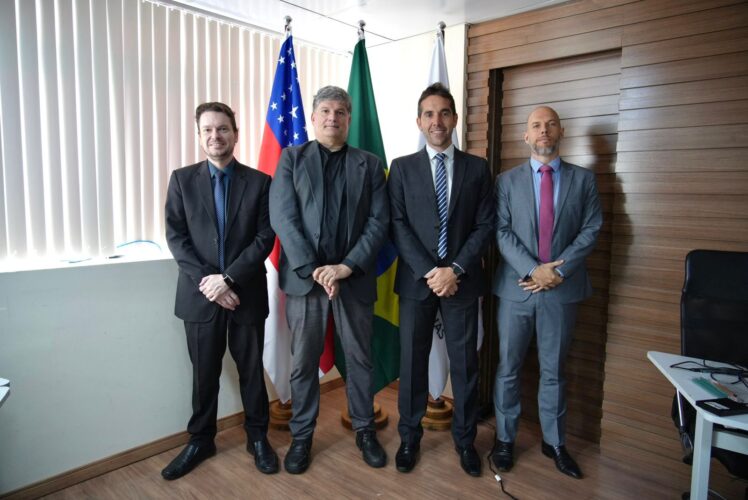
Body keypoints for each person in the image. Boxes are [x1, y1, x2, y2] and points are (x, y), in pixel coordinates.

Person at [268, 86, 390, 474]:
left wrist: (346, 267)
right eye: (325, 111)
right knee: (303, 364)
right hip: (306, 282)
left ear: (349, 118)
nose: (332, 117)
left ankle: (365, 431)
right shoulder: (291, 159)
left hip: (353, 279)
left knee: (360, 360)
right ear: (313, 117)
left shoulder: (369, 164)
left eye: (340, 111)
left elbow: (379, 221)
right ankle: (302, 438)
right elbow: (282, 216)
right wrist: (316, 269)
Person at [163, 102, 278, 479]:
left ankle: (257, 437)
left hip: (246, 295)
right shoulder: (181, 180)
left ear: (236, 134)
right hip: (199, 299)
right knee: (204, 374)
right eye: (208, 130)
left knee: (251, 372)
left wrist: (228, 279)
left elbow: (265, 237)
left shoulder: (260, 182)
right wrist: (211, 285)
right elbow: (177, 238)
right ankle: (200, 440)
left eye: (223, 129)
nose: (216, 136)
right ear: (199, 136)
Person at [388, 83, 494, 477]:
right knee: (412, 363)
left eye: (444, 113)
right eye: (429, 114)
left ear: (455, 119)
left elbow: (485, 225)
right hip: (418, 282)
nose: (437, 121)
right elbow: (397, 224)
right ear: (419, 121)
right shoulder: (401, 168)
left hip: (462, 282)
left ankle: (465, 441)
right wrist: (431, 272)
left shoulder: (477, 168)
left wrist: (456, 269)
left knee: (465, 365)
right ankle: (409, 438)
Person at [491, 106, 602, 479]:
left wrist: (558, 271)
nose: (544, 130)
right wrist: (532, 269)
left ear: (561, 132)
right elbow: (501, 230)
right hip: (516, 289)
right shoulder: (506, 182)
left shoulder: (584, 180)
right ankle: (504, 440)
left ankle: (554, 442)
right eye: (536, 125)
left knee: (554, 370)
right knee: (508, 369)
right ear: (526, 136)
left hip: (561, 291)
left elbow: (591, 229)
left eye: (551, 124)